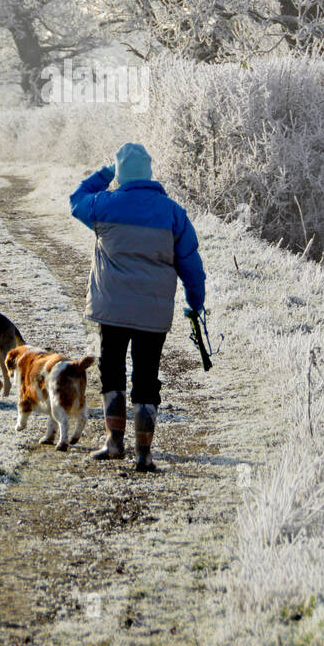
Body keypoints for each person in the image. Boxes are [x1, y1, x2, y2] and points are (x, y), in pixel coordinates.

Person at [69, 142, 206, 473]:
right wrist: (194, 301)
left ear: (121, 173)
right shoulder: (173, 212)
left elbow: (76, 200)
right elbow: (191, 262)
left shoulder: (103, 204)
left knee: (112, 371)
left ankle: (114, 444)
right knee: (147, 377)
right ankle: (144, 455)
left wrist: (106, 173)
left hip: (112, 309)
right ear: (149, 173)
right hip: (153, 314)